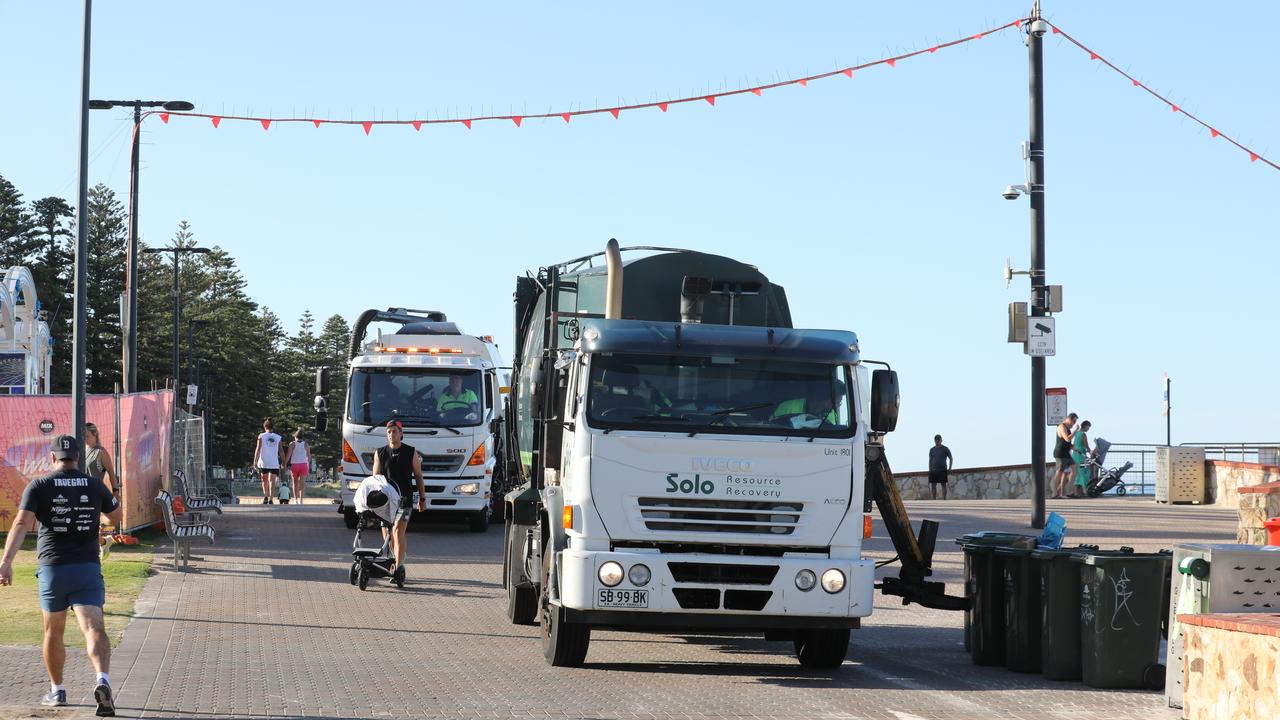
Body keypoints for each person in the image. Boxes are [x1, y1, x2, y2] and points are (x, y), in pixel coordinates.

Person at [0, 435, 121, 717]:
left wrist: (6, 561)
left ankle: (58, 690)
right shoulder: (93, 484)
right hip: (87, 568)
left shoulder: (40, 485)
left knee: (53, 631)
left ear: (53, 458)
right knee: (94, 628)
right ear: (77, 458)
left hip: (53, 569)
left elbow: (21, 523)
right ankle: (102, 679)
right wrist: (100, 521)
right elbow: (115, 516)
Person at [370, 420, 426, 576]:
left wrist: (422, 499)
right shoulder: (380, 453)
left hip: (404, 500)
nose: (391, 434)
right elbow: (375, 480)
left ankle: (398, 567)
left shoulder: (410, 452)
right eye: (389, 431)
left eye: (395, 431)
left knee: (397, 531)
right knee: (387, 535)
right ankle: (398, 557)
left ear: (401, 433)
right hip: (385, 501)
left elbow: (419, 476)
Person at [83, 423, 119, 531]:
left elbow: (111, 473)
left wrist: (115, 492)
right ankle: (103, 542)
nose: (84, 439)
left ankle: (101, 541)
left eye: (87, 436)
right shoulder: (81, 451)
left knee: (93, 521)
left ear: (95, 435)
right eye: (83, 436)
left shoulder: (100, 452)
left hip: (95, 493)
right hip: (80, 491)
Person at [771, 382, 838, 427]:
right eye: (837, 402)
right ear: (827, 401)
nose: (837, 406)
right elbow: (770, 426)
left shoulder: (832, 415)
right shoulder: (787, 407)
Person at [253, 418, 283, 504]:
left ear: (264, 427)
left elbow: (257, 449)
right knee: (272, 481)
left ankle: (265, 496)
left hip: (263, 462)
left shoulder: (261, 436)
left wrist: (255, 461)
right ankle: (271, 498)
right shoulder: (278, 437)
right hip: (273, 462)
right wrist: (283, 462)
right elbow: (281, 451)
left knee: (264, 480)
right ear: (273, 427)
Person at [1051, 413, 1078, 499]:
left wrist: (1072, 446)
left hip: (1066, 453)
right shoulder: (1061, 426)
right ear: (1069, 419)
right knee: (1059, 472)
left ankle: (1070, 491)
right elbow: (1067, 438)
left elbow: (1067, 442)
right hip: (1060, 453)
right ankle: (1054, 493)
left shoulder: (1067, 428)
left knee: (1074, 468)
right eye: (1074, 421)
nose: (1074, 423)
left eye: (1075, 421)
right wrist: (1075, 431)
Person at [285, 429, 311, 504]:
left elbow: (289, 455)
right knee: (302, 483)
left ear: (295, 436)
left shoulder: (292, 444)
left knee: (295, 483)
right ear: (302, 437)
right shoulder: (306, 444)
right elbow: (309, 456)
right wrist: (308, 465)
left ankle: (296, 499)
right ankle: (301, 500)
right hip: (303, 465)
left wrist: (285, 463)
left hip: (294, 465)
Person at [1070, 420, 1093, 498]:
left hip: (1075, 455)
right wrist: (1091, 453)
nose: (1088, 429)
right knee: (1084, 472)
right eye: (1088, 427)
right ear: (1086, 426)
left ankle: (1078, 492)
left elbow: (1073, 445)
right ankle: (1085, 491)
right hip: (1081, 456)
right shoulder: (1083, 434)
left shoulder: (1076, 433)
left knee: (1078, 473)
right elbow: (1086, 446)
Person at [928, 435, 954, 500]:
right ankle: (934, 500)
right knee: (933, 485)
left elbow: (951, 458)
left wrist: (950, 468)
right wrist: (930, 469)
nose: (938, 441)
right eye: (936, 440)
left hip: (942, 469)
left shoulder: (945, 449)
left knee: (943, 485)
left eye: (939, 439)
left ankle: (944, 499)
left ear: (941, 440)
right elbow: (930, 460)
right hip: (933, 470)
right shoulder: (932, 449)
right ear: (934, 441)